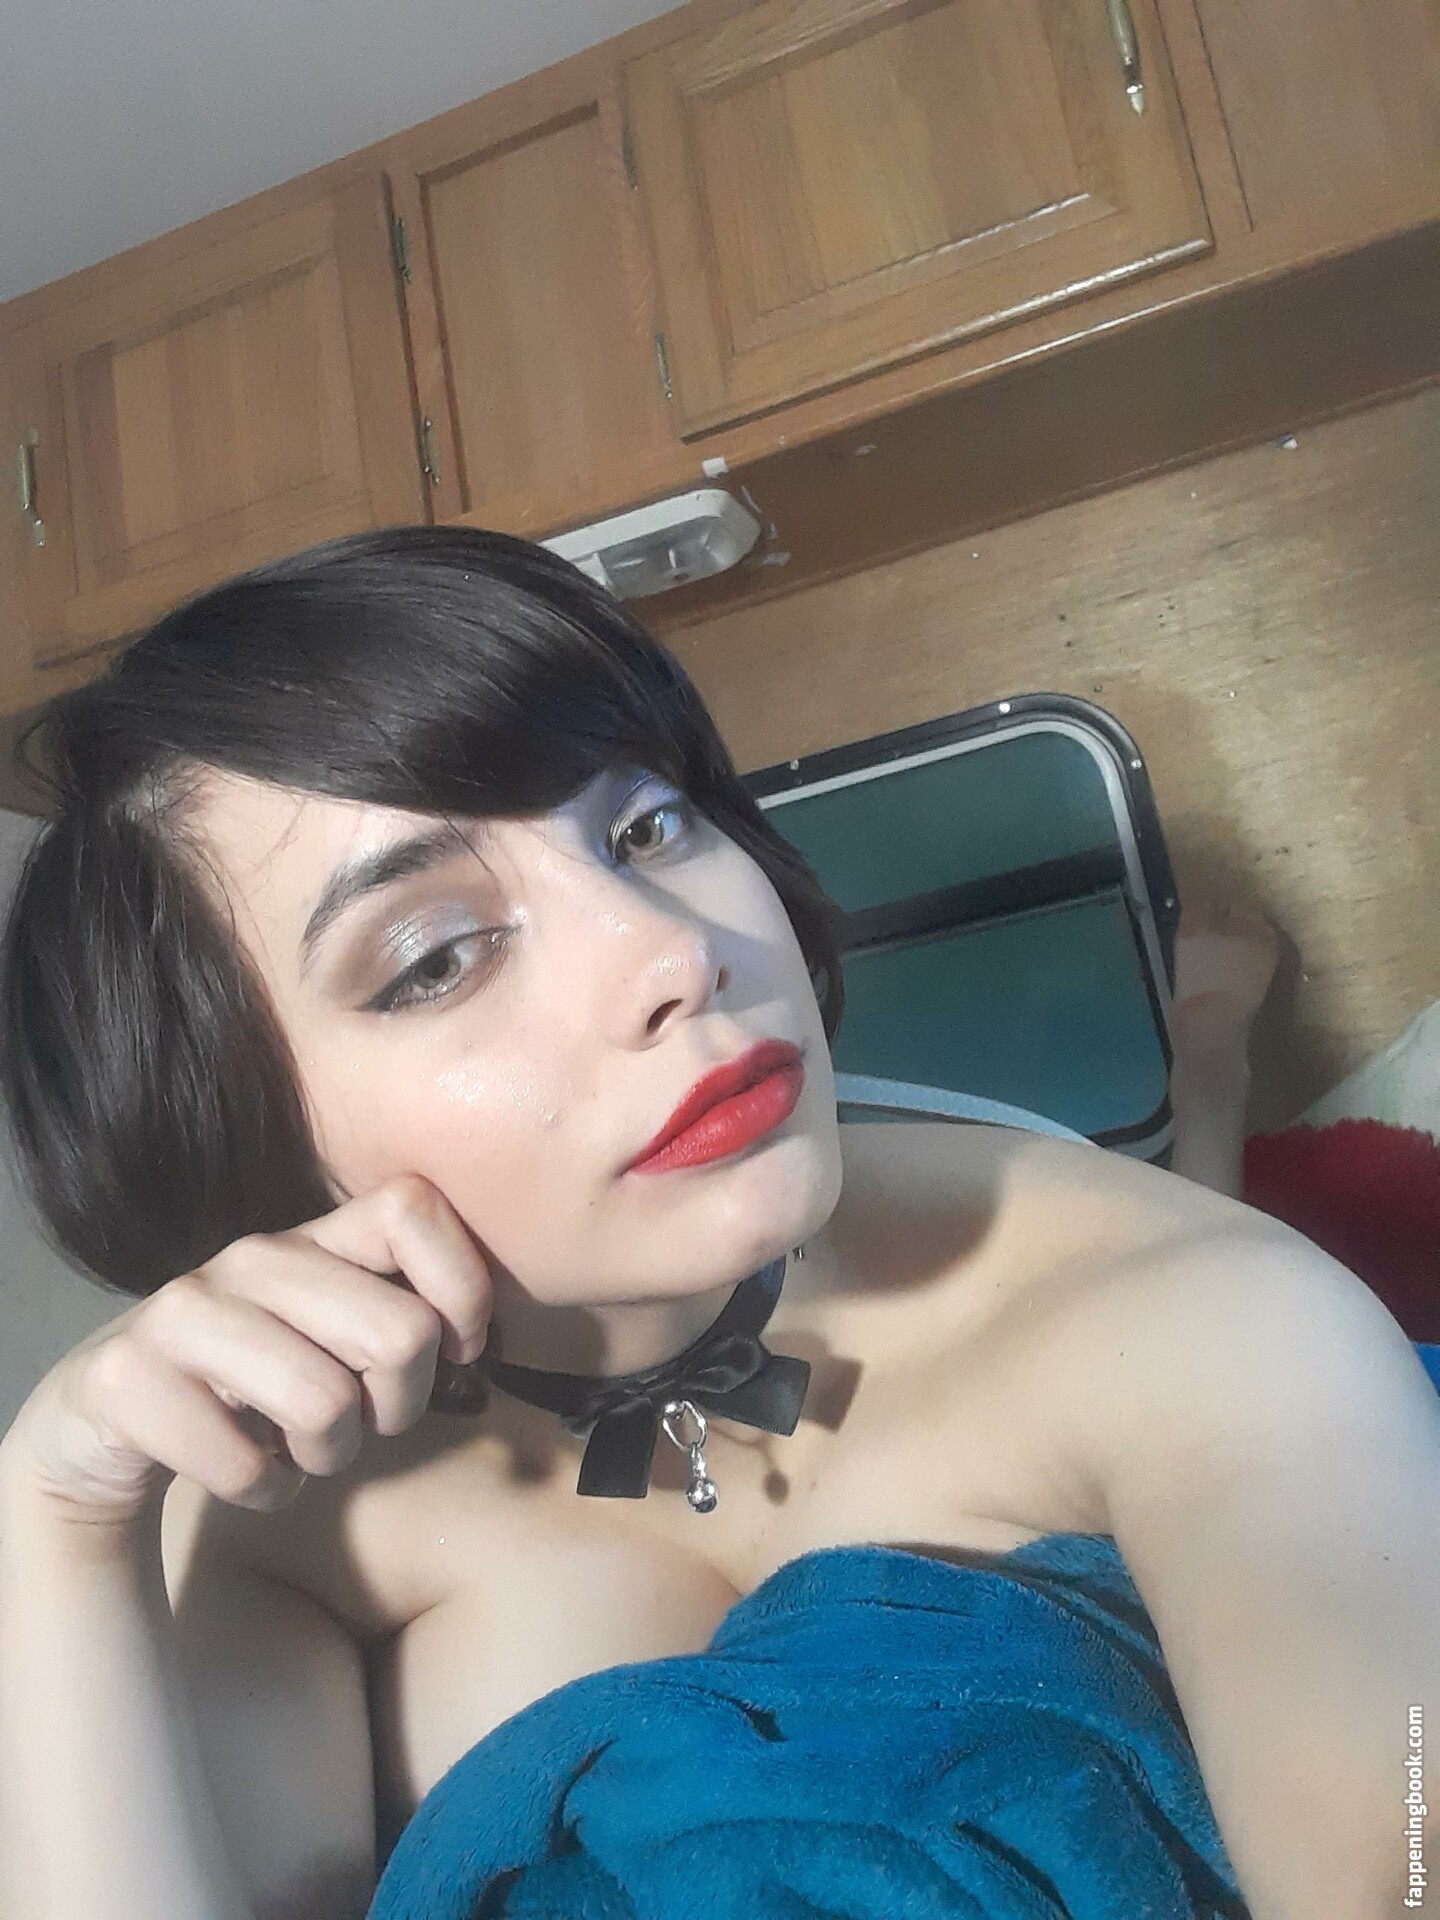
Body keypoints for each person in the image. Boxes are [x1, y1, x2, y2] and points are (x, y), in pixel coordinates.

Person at [0, 527, 1432, 1920]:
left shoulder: (1191, 1304)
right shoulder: (273, 1528)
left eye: (646, 826)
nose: (676, 951)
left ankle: (1203, 1066)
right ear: (241, 1147)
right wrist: (57, 1515)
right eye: (436, 958)